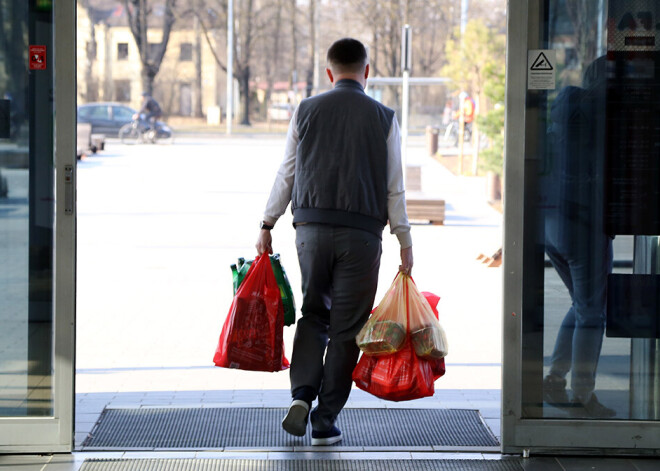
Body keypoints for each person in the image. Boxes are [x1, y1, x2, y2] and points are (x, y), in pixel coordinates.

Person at [256, 38, 413, 445]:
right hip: (361, 236)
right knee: (347, 330)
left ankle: (301, 396)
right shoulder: (384, 117)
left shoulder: (305, 110)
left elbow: (286, 173)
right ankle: (325, 421)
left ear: (329, 73)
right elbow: (395, 188)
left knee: (313, 313)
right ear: (367, 71)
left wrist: (267, 221)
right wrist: (405, 241)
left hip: (310, 231)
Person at [542, 56, 615, 418]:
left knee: (580, 304)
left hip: (553, 222)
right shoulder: (601, 114)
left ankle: (555, 378)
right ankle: (583, 395)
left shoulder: (564, 108)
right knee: (592, 314)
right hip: (585, 223)